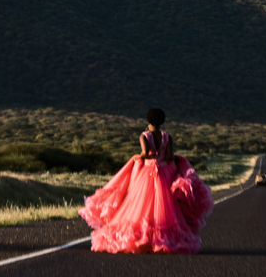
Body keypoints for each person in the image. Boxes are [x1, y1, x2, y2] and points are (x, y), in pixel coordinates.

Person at [79, 108, 214, 254]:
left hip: (146, 174)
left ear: (148, 121)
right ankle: (162, 241)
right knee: (166, 208)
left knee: (139, 207)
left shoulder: (145, 135)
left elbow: (144, 153)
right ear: (161, 121)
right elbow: (170, 157)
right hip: (164, 174)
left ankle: (141, 239)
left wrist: (136, 158)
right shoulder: (167, 137)